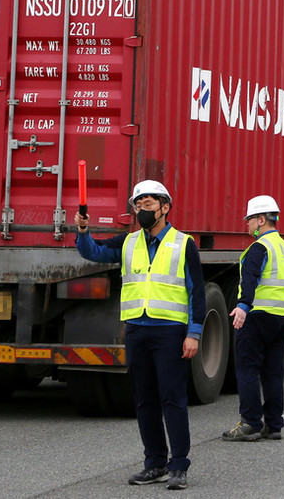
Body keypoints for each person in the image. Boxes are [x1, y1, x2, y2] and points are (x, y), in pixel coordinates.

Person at [75, 180, 203, 491]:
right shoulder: (128, 242)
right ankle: (155, 463)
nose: (142, 209)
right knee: (145, 401)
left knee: (172, 399)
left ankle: (178, 466)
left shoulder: (184, 244)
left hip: (170, 332)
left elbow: (196, 290)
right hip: (137, 331)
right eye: (138, 204)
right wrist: (82, 232)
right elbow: (93, 252)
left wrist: (194, 333)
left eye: (148, 204)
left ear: (165, 207)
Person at [223, 195, 284, 443]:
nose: (247, 224)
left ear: (262, 220)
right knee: (273, 372)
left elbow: (251, 279)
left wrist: (242, 306)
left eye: (250, 219)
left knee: (247, 369)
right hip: (283, 317)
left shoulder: (259, 248)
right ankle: (273, 424)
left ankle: (251, 423)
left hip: (256, 316)